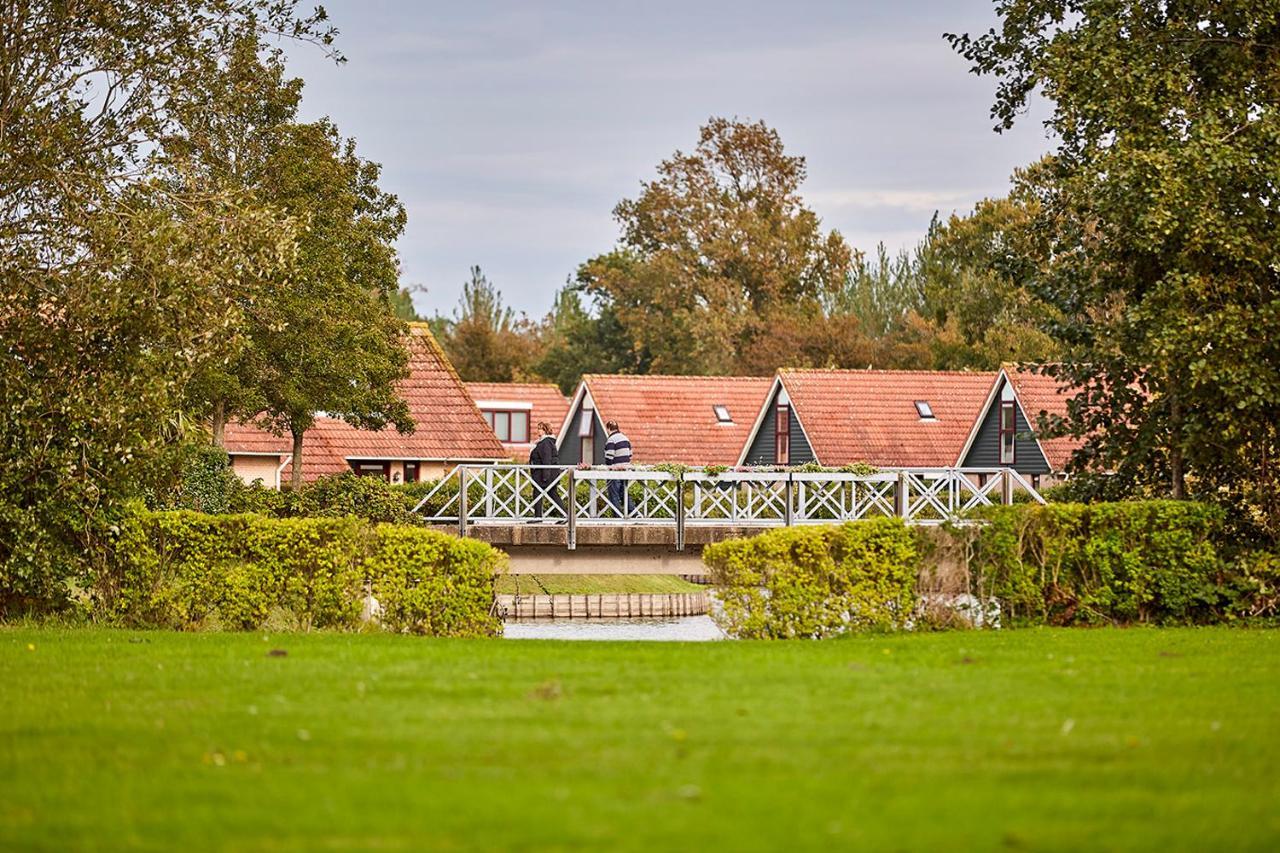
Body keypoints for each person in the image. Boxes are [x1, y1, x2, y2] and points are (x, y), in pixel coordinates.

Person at [528, 421, 563, 522]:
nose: (537, 430)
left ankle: (538, 517)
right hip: (545, 473)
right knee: (552, 493)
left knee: (539, 492)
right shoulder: (544, 442)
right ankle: (564, 514)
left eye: (540, 428)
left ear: (545, 430)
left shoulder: (546, 442)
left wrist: (545, 476)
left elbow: (546, 459)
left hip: (544, 474)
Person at [603, 419, 632, 517]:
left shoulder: (611, 440)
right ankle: (633, 512)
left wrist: (609, 468)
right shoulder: (625, 438)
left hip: (615, 471)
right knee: (624, 492)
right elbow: (630, 454)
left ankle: (617, 515)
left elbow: (609, 457)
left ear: (608, 429)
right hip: (626, 469)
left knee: (613, 493)